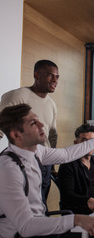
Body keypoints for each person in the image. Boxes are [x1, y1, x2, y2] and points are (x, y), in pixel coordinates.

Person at [0, 103, 94, 238]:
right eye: (33, 123)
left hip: (40, 227)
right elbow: (26, 226)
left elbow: (67, 154)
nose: (42, 125)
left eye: (39, 120)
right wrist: (76, 220)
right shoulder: (8, 169)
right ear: (16, 135)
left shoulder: (37, 151)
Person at [0, 59, 59, 207]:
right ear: (37, 75)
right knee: (27, 209)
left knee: (41, 208)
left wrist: (51, 165)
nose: (55, 80)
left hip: (44, 163)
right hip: (24, 161)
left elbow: (52, 135)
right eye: (50, 75)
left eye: (57, 77)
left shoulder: (52, 104)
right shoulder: (18, 96)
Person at [58, 124, 94, 215]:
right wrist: (88, 201)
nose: (89, 145)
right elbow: (67, 196)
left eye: (92, 141)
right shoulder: (67, 165)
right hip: (80, 211)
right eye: (84, 141)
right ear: (76, 143)